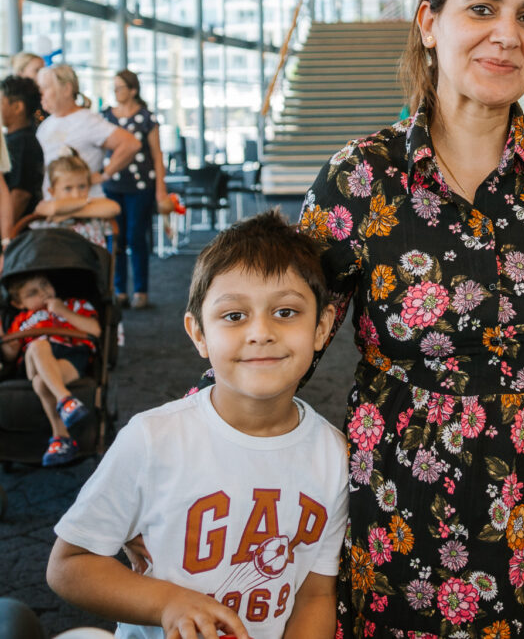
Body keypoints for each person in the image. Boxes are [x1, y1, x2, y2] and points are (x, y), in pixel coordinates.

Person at [296, 0, 524, 636]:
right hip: (401, 516)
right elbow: (285, 336)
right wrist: (196, 447)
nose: (507, 35)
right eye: (482, 9)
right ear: (429, 22)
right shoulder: (361, 177)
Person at [46, 210, 348, 639]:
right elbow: (68, 565)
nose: (260, 332)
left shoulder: (333, 455)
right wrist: (167, 603)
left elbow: (315, 595)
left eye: (285, 311)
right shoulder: (152, 439)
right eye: (234, 316)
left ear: (322, 328)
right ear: (198, 333)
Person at [1, 271, 100, 465]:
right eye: (33, 293)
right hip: (33, 359)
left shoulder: (73, 305)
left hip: (70, 354)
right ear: (19, 304)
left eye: (45, 284)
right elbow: (11, 354)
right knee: (39, 345)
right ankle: (65, 399)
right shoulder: (21, 320)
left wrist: (63, 311)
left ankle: (61, 437)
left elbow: (95, 330)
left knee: (41, 382)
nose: (43, 292)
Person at [101, 70, 168, 309]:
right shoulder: (105, 116)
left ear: (133, 90)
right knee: (116, 238)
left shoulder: (146, 118)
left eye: (120, 87)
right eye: (114, 87)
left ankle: (141, 290)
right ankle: (119, 290)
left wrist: (161, 190)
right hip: (112, 186)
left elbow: (157, 155)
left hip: (141, 186)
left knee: (136, 236)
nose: (116, 92)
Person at [36, 64, 138, 199]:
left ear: (66, 89)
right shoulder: (45, 125)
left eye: (46, 87)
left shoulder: (87, 120)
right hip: (54, 204)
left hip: (86, 203)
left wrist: (103, 174)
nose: (41, 93)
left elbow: (131, 144)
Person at [31, 151, 120, 249]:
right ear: (52, 192)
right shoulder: (46, 206)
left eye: (82, 187)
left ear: (89, 186)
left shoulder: (93, 206)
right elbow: (53, 208)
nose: (76, 195)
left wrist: (68, 213)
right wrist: (85, 203)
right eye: (68, 188)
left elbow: (114, 208)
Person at [2, 74, 46, 224]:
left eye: (1, 102)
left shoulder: (23, 143)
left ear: (17, 107)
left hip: (19, 230)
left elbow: (20, 195)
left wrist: (5, 231)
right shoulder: (15, 139)